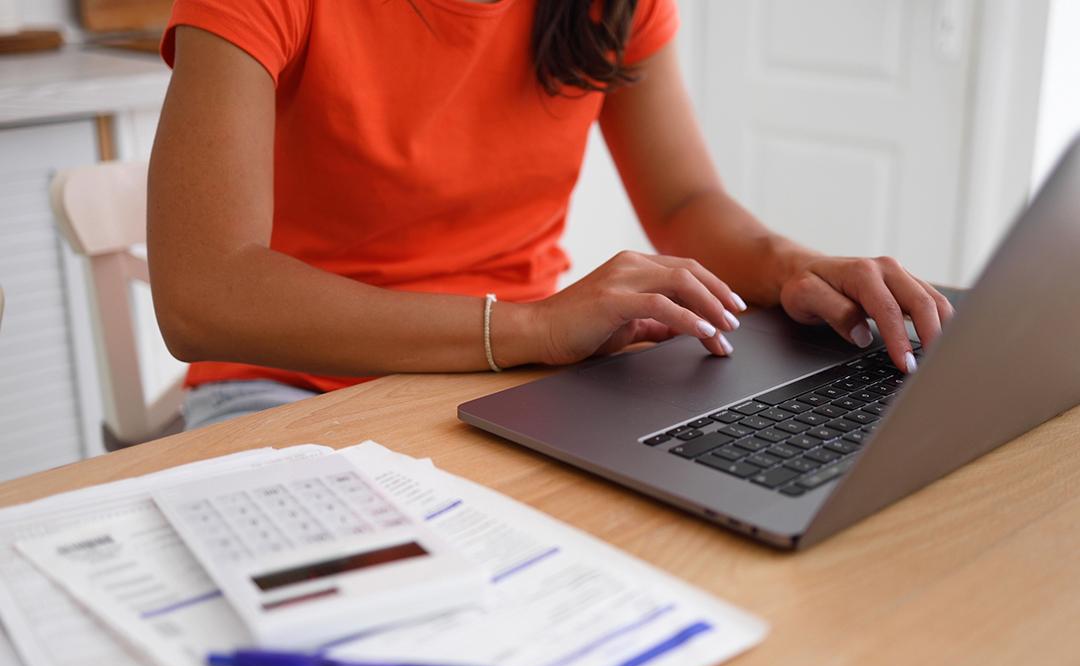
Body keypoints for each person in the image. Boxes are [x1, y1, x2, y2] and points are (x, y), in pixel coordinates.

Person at [148, 0, 953, 431]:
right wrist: (531, 328)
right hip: (294, 386)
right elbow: (201, 295)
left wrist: (792, 266)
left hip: (519, 385)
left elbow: (682, 202)